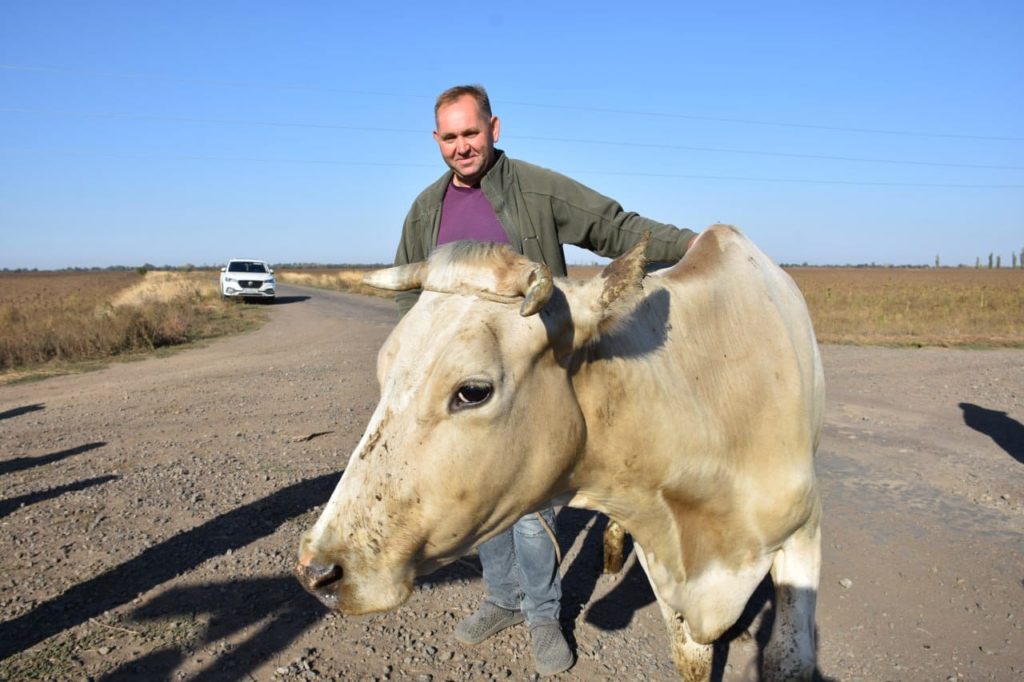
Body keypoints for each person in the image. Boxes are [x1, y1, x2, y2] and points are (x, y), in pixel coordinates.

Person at [392, 84, 698, 677]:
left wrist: (696, 243)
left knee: (535, 516)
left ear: (494, 128)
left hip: (533, 382)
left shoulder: (534, 188)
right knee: (482, 502)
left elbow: (616, 227)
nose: (462, 147)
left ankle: (542, 615)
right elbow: (411, 302)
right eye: (450, 137)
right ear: (436, 141)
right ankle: (501, 600)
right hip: (467, 392)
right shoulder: (425, 210)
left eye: (471, 133)